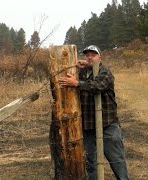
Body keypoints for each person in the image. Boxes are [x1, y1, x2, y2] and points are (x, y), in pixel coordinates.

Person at [58, 45, 129, 180]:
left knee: (116, 159)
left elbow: (97, 86)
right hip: (88, 125)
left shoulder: (105, 71)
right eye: (87, 55)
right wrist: (77, 70)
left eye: (93, 54)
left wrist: (77, 84)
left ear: (99, 57)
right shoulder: (82, 73)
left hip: (107, 124)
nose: (90, 57)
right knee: (90, 161)